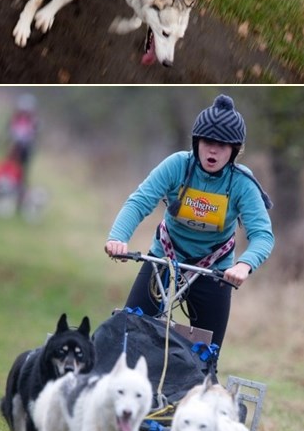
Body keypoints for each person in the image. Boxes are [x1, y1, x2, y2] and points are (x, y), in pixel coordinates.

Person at [104, 94, 273, 360]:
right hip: (164, 258)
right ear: (196, 142)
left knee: (206, 357)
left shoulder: (242, 183)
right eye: (207, 142)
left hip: (214, 271)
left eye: (222, 144)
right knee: (128, 336)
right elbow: (139, 203)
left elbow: (262, 235)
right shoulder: (177, 165)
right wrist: (118, 237)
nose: (213, 151)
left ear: (234, 149)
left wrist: (244, 265)